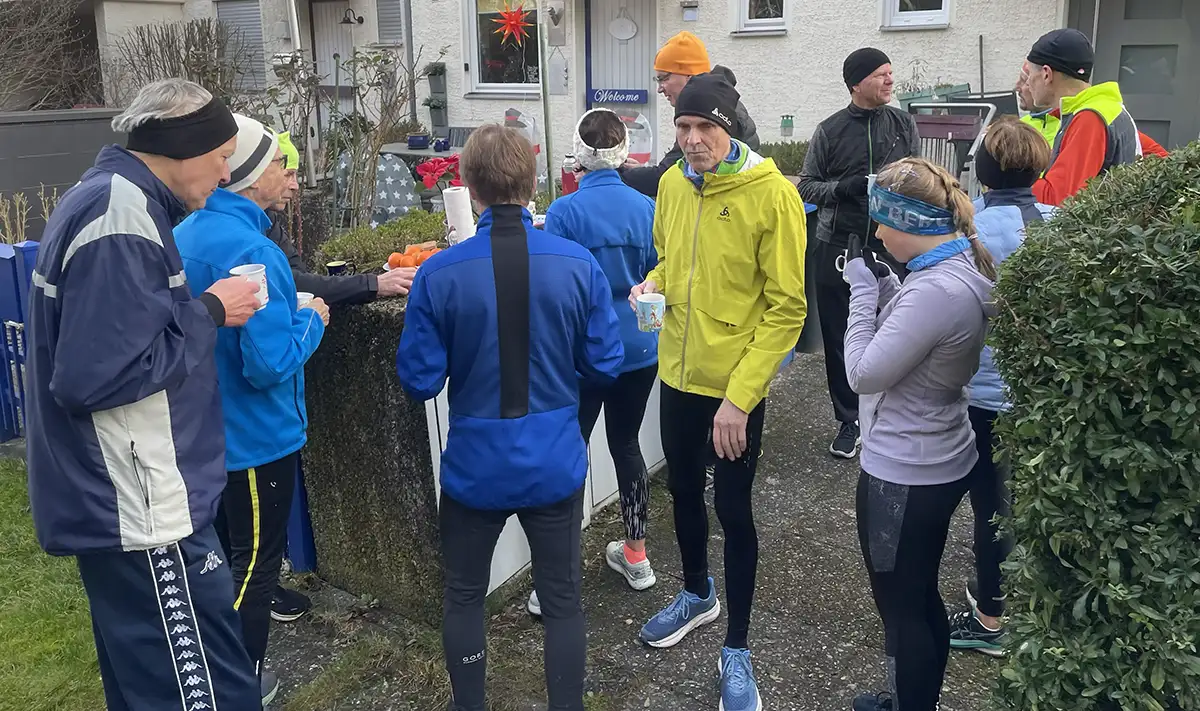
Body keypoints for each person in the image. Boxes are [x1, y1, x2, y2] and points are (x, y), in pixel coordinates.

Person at [24, 78, 263, 710]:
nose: (225, 173)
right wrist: (211, 309)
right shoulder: (120, 219)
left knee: (148, 686)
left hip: (133, 502)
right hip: (144, 510)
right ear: (183, 147)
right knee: (203, 690)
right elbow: (95, 376)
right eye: (220, 157)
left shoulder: (110, 200)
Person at [396, 124, 624, 711]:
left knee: (465, 595)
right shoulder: (577, 264)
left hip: (475, 465)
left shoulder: (438, 273)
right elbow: (604, 362)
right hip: (554, 460)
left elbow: (419, 380)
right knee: (563, 599)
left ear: (468, 187)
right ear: (533, 182)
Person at [630, 74, 807, 711]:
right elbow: (668, 260)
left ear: (729, 128)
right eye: (683, 126)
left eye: (705, 127)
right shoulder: (674, 184)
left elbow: (787, 309)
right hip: (676, 374)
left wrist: (740, 399)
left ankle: (737, 648)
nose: (693, 139)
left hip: (733, 389)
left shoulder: (772, 196)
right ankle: (698, 593)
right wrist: (648, 285)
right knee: (679, 492)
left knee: (732, 510)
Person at [175, 114, 330, 704]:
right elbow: (267, 363)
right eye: (278, 162)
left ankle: (203, 673)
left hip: (203, 432)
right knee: (255, 566)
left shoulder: (189, 232)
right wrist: (311, 318)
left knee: (214, 562)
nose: (289, 173)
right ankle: (237, 684)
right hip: (257, 439)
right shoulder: (249, 248)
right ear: (246, 174)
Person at [844, 158, 995, 711]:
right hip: (940, 454)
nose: (878, 234)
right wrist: (890, 291)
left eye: (884, 223)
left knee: (901, 607)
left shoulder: (935, 291)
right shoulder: (952, 269)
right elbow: (918, 347)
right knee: (919, 594)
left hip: (903, 472)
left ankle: (907, 701)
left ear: (912, 223)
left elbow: (863, 372)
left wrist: (862, 294)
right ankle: (915, 699)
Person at [524, 109, 659, 619]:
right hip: (640, 349)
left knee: (570, 452)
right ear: (626, 152)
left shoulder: (564, 211)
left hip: (581, 354)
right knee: (626, 445)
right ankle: (638, 555)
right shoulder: (646, 207)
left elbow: (557, 283)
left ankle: (557, 578)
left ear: (579, 155)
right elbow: (654, 273)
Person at [945, 119, 1053, 658]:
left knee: (990, 506)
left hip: (981, 393)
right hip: (1038, 393)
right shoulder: (1061, 224)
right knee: (1020, 500)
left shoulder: (971, 232)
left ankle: (990, 618)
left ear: (982, 170)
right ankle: (1017, 595)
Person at [798, 48, 920, 460]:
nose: (890, 81)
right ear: (856, 82)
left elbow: (918, 178)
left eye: (891, 73)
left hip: (893, 243)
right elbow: (807, 186)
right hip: (838, 244)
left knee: (898, 328)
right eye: (881, 75)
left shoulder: (902, 124)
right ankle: (849, 420)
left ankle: (891, 413)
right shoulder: (830, 130)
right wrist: (845, 187)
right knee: (838, 336)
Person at [265, 131, 416, 307]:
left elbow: (297, 277)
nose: (295, 185)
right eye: (288, 175)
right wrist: (373, 284)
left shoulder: (268, 219)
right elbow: (294, 283)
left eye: (295, 175)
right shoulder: (250, 230)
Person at [620, 30, 759, 197]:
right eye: (683, 127)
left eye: (663, 78)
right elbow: (675, 171)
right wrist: (638, 172)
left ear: (688, 76)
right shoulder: (711, 106)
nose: (659, 89)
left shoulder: (709, 111)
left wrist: (611, 174)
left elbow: (665, 178)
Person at [1023, 29, 1141, 206]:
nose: (1027, 84)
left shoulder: (1089, 119)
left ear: (1046, 74)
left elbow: (1059, 200)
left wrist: (1006, 187)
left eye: (1030, 75)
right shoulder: (1108, 108)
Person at [1016, 66, 1168, 160]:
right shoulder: (1018, 126)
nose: (1018, 87)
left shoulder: (1086, 120)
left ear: (1046, 77)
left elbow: (1163, 159)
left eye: (1025, 80)